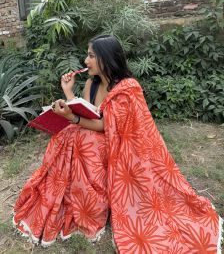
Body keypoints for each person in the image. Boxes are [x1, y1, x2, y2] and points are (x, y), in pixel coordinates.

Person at [13, 35, 222, 253]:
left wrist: (72, 119)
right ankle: (69, 196)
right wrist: (68, 93)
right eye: (87, 55)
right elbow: (86, 111)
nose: (86, 61)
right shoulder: (91, 84)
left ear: (107, 59)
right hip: (98, 138)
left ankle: (91, 205)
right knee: (67, 136)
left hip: (122, 145)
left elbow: (105, 125)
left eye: (91, 56)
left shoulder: (127, 88)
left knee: (80, 138)